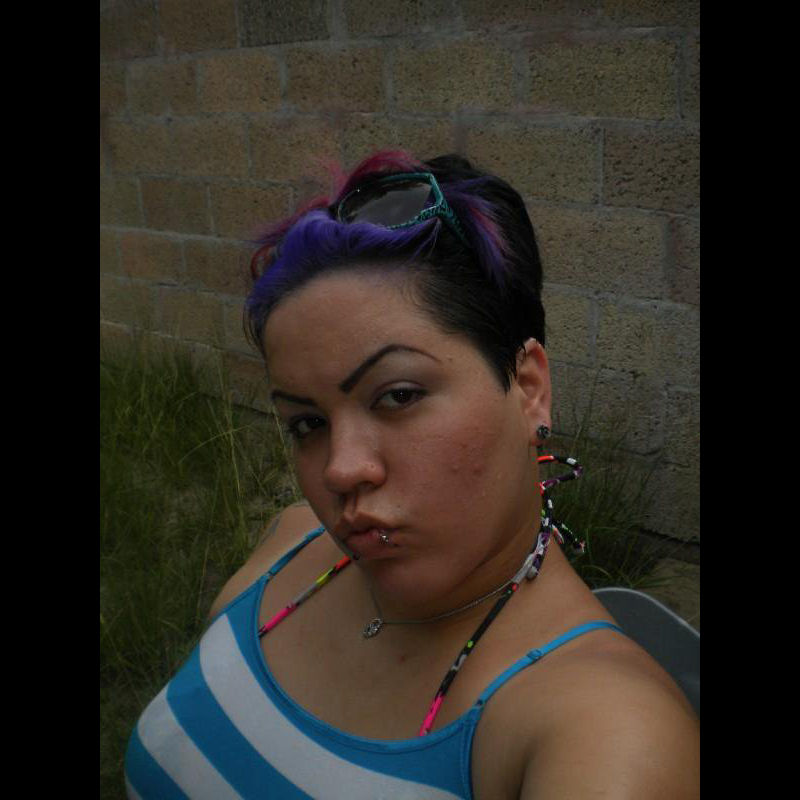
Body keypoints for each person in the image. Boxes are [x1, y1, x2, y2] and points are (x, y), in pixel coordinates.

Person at [125, 151, 700, 799]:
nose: (341, 469)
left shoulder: (606, 731)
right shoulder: (288, 546)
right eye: (307, 424)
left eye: (398, 395)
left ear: (528, 389)